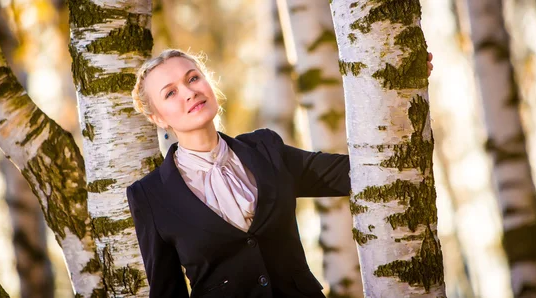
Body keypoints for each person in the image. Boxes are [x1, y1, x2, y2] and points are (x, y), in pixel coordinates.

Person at [127, 49, 434, 298]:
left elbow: (357, 172)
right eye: (170, 93)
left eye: (193, 78)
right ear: (157, 117)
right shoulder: (150, 196)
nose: (189, 92)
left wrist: (398, 89)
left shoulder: (265, 149)